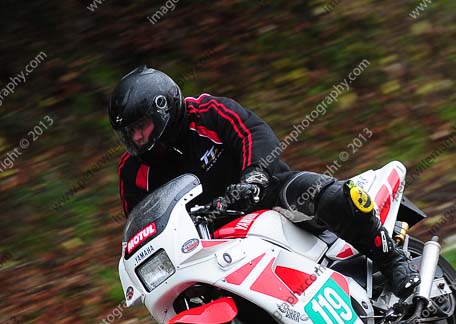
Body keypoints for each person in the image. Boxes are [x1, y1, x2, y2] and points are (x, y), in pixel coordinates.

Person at [110, 66, 419, 297]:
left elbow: (253, 132)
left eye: (141, 126)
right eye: (129, 133)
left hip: (265, 194)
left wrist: (254, 175)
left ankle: (392, 261)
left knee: (333, 196)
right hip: (209, 239)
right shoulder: (131, 172)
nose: (136, 138)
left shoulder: (205, 113)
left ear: (163, 110)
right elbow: (141, 223)